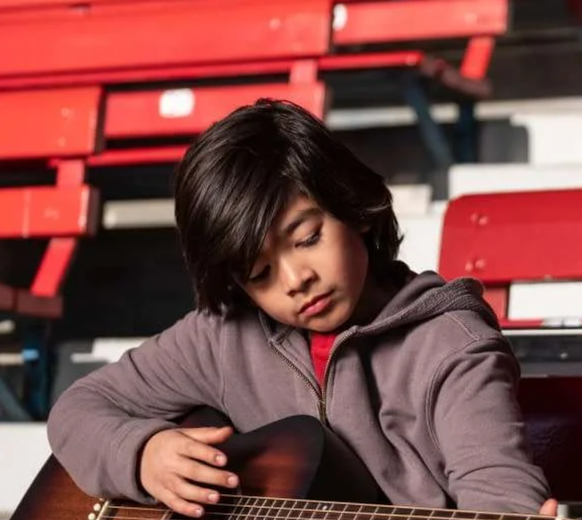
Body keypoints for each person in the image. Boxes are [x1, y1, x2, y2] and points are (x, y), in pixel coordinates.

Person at [47, 100, 556, 518]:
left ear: (351, 207)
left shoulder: (451, 348)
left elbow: (500, 494)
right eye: (259, 273)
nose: (296, 281)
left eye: (307, 238)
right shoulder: (222, 338)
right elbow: (77, 409)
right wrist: (143, 455)